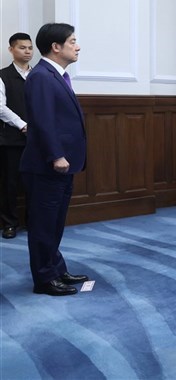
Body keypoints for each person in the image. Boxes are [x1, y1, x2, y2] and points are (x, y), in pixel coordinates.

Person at [19, 23, 88, 296]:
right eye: (72, 41)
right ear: (56, 47)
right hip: (48, 165)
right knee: (43, 223)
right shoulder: (42, 77)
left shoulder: (55, 75)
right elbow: (43, 121)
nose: (77, 46)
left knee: (55, 221)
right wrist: (56, 155)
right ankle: (45, 279)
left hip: (62, 166)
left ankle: (56, 268)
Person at [1, 32, 33, 239]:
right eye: (22, 47)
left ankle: (33, 221)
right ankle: (9, 223)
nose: (27, 51)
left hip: (37, 139)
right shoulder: (2, 75)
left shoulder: (39, 75)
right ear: (11, 49)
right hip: (10, 140)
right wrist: (22, 125)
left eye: (30, 48)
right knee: (9, 183)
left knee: (34, 182)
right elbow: (0, 107)